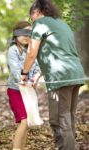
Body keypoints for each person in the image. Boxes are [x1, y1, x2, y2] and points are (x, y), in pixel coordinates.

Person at [21, 0, 85, 150]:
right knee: (69, 117)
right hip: (75, 74)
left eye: (31, 18)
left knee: (59, 119)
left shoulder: (40, 24)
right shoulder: (62, 24)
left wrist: (24, 73)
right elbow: (56, 52)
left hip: (60, 77)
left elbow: (31, 53)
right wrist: (37, 75)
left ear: (36, 12)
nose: (32, 21)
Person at [7, 21, 40, 150]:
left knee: (27, 123)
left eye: (29, 33)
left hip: (29, 91)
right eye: (23, 33)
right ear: (16, 34)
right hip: (15, 90)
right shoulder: (13, 49)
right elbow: (14, 67)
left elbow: (37, 67)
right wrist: (21, 78)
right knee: (24, 121)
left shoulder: (32, 51)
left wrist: (33, 79)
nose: (26, 36)